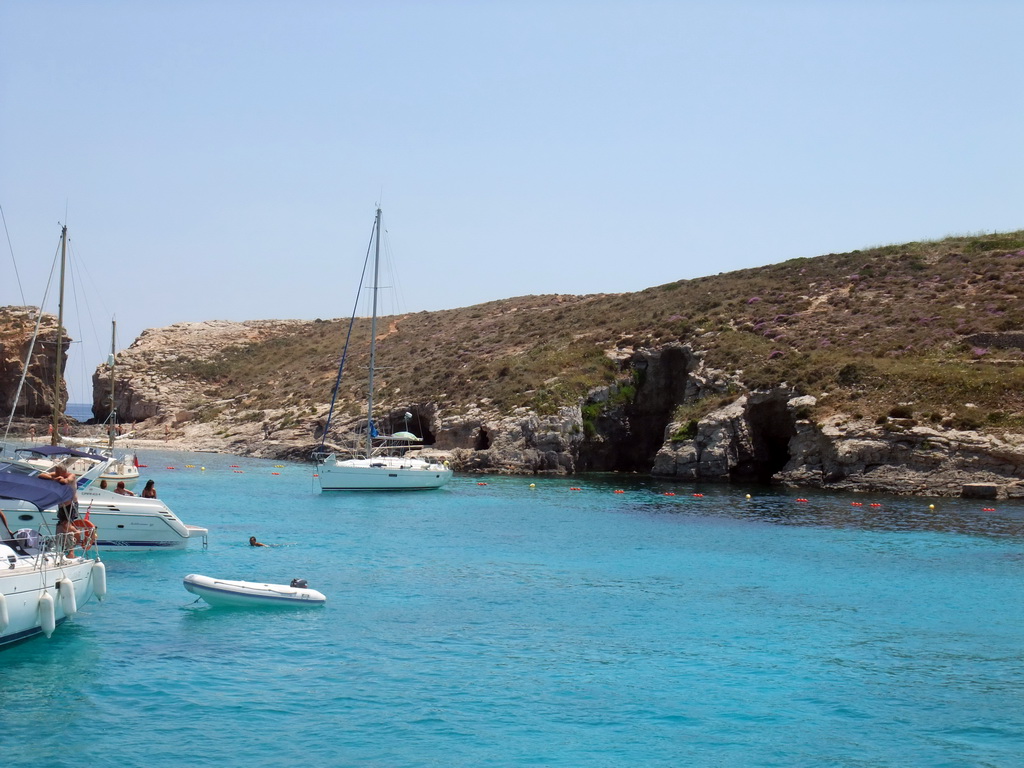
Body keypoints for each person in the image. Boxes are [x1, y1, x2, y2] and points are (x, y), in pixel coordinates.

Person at [38, 464, 78, 548]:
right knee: (62, 526)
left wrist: (59, 479)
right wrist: (53, 478)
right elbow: (40, 475)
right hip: (61, 506)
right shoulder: (56, 475)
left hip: (71, 504)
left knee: (66, 525)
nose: (57, 474)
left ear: (64, 472)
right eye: (56, 472)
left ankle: (78, 533)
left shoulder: (71, 476)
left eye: (59, 473)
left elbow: (65, 481)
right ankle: (65, 548)